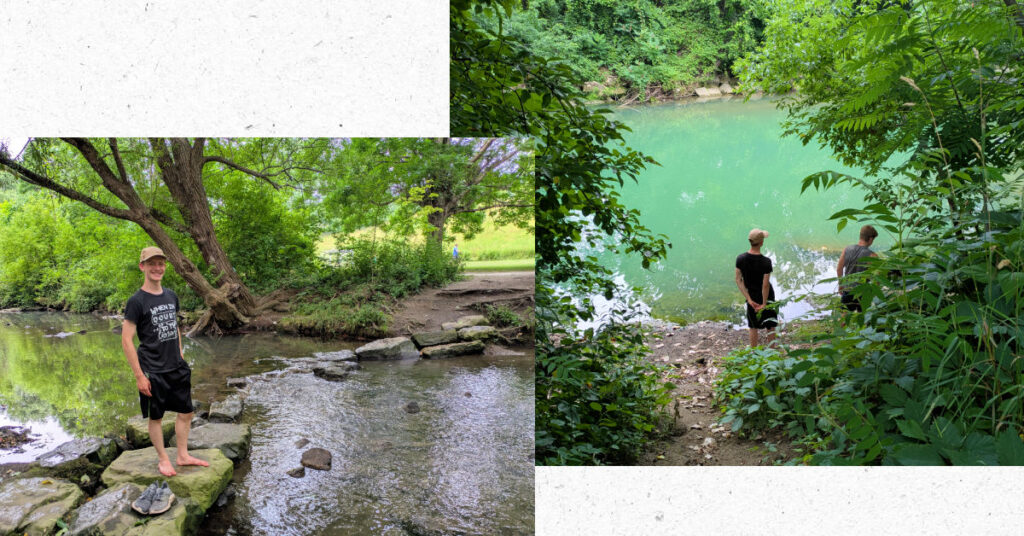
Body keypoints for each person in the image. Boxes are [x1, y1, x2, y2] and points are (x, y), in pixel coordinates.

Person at [121, 247, 209, 477]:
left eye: (161, 263)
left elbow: (176, 327)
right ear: (142, 266)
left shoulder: (171, 295)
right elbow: (126, 340)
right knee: (156, 417)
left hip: (176, 366)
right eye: (152, 264)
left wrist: (180, 354)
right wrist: (140, 375)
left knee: (186, 412)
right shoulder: (136, 301)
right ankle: (162, 459)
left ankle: (182, 455)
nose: (157, 268)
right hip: (152, 369)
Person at [735, 228, 778, 347]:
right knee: (770, 324)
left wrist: (749, 299)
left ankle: (753, 351)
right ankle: (772, 350)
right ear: (762, 242)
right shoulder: (766, 262)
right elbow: (765, 284)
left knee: (753, 326)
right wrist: (764, 303)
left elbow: (738, 280)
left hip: (751, 294)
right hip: (767, 296)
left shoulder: (740, 259)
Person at [836, 225, 879, 312]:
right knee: (863, 317)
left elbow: (839, 269)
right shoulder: (873, 256)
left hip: (848, 290)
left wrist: (841, 285)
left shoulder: (847, 249)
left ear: (861, 236)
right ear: (870, 239)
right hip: (863, 292)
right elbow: (877, 277)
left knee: (843, 317)